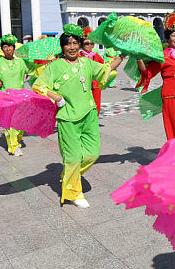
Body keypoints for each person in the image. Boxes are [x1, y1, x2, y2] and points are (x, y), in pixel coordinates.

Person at [33, 24, 125, 208]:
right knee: (73, 157)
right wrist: (56, 97)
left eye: (76, 43)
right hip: (68, 118)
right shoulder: (55, 66)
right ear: (63, 47)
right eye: (68, 44)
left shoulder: (86, 62)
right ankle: (73, 193)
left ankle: (69, 175)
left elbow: (105, 69)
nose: (72, 47)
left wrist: (122, 55)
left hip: (89, 114)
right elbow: (38, 86)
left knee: (92, 154)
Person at [0, 34, 32, 156]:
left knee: (21, 122)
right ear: (2, 49)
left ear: (14, 48)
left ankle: (17, 141)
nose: (8, 49)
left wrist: (47, 63)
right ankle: (13, 146)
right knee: (10, 123)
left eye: (10, 47)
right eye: (5, 47)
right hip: (6, 98)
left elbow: (32, 70)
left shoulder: (21, 62)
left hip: (21, 96)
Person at [79, 32, 106, 114]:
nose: (90, 45)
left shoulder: (96, 55)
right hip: (83, 85)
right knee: (83, 105)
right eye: (87, 43)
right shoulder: (79, 56)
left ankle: (94, 121)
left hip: (95, 85)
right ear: (82, 45)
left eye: (92, 44)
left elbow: (104, 66)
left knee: (96, 105)